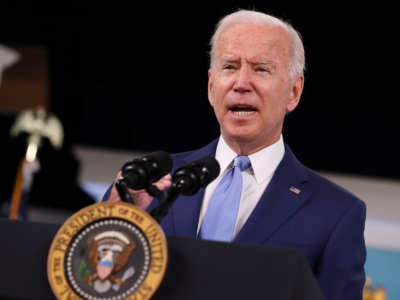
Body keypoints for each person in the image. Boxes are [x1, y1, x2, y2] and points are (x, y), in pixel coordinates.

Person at [103, 8, 366, 300]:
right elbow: (95, 284)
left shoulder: (336, 214)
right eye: (229, 67)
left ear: (294, 91)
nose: (241, 84)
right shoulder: (148, 183)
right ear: (211, 86)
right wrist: (114, 225)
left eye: (261, 69)